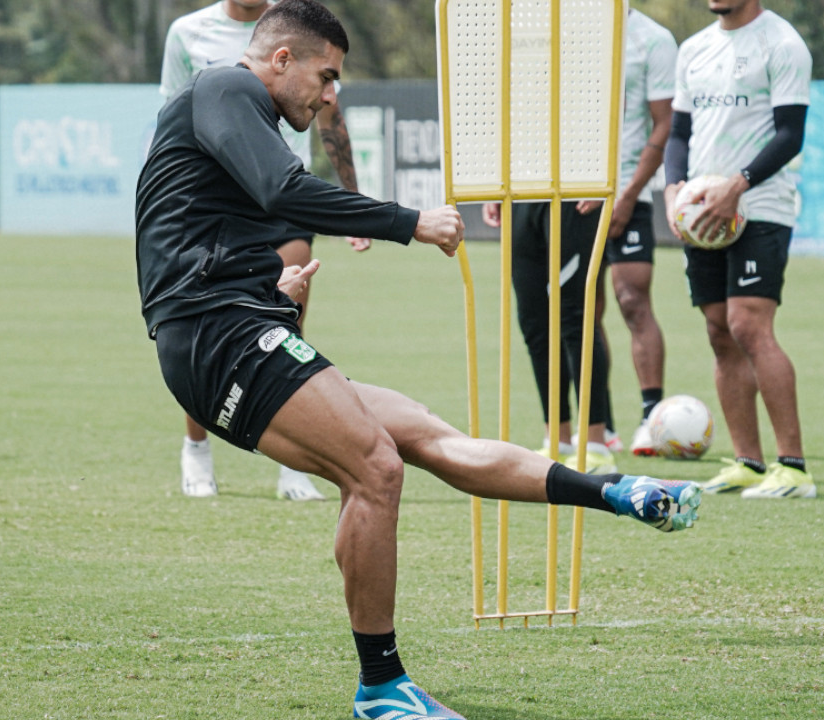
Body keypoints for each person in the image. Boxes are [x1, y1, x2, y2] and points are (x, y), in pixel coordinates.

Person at [134, 3, 703, 718]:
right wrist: (410, 222)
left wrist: (267, 285)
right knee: (376, 467)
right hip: (216, 336)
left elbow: (194, 228)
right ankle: (381, 687)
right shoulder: (226, 87)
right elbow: (280, 193)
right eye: (327, 75)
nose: (330, 95)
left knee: (427, 438)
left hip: (230, 325)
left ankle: (614, 491)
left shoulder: (241, 114)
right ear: (281, 59)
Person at [160, 0, 370, 502]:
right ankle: (196, 448)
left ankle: (295, 457)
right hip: (220, 199)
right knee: (211, 323)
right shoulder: (188, 34)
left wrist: (354, 201)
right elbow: (169, 113)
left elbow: (329, 113)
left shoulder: (298, 25)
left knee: (287, 318)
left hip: (285, 192)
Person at [663, 0, 815, 499]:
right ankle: (748, 462)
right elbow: (678, 132)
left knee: (749, 325)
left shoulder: (782, 43)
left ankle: (792, 468)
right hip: (702, 215)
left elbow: (791, 134)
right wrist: (673, 190)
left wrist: (739, 185)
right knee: (718, 330)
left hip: (760, 207)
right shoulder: (694, 49)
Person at [593, 7, 677, 457]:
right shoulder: (568, 31)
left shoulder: (653, 39)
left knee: (632, 300)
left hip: (630, 193)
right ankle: (599, 423)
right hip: (576, 193)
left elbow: (664, 123)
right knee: (581, 310)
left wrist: (627, 195)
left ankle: (652, 418)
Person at [481, 198, 618, 474]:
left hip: (573, 192)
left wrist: (600, 177)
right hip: (521, 192)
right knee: (534, 322)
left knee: (574, 317)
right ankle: (557, 440)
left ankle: (595, 445)